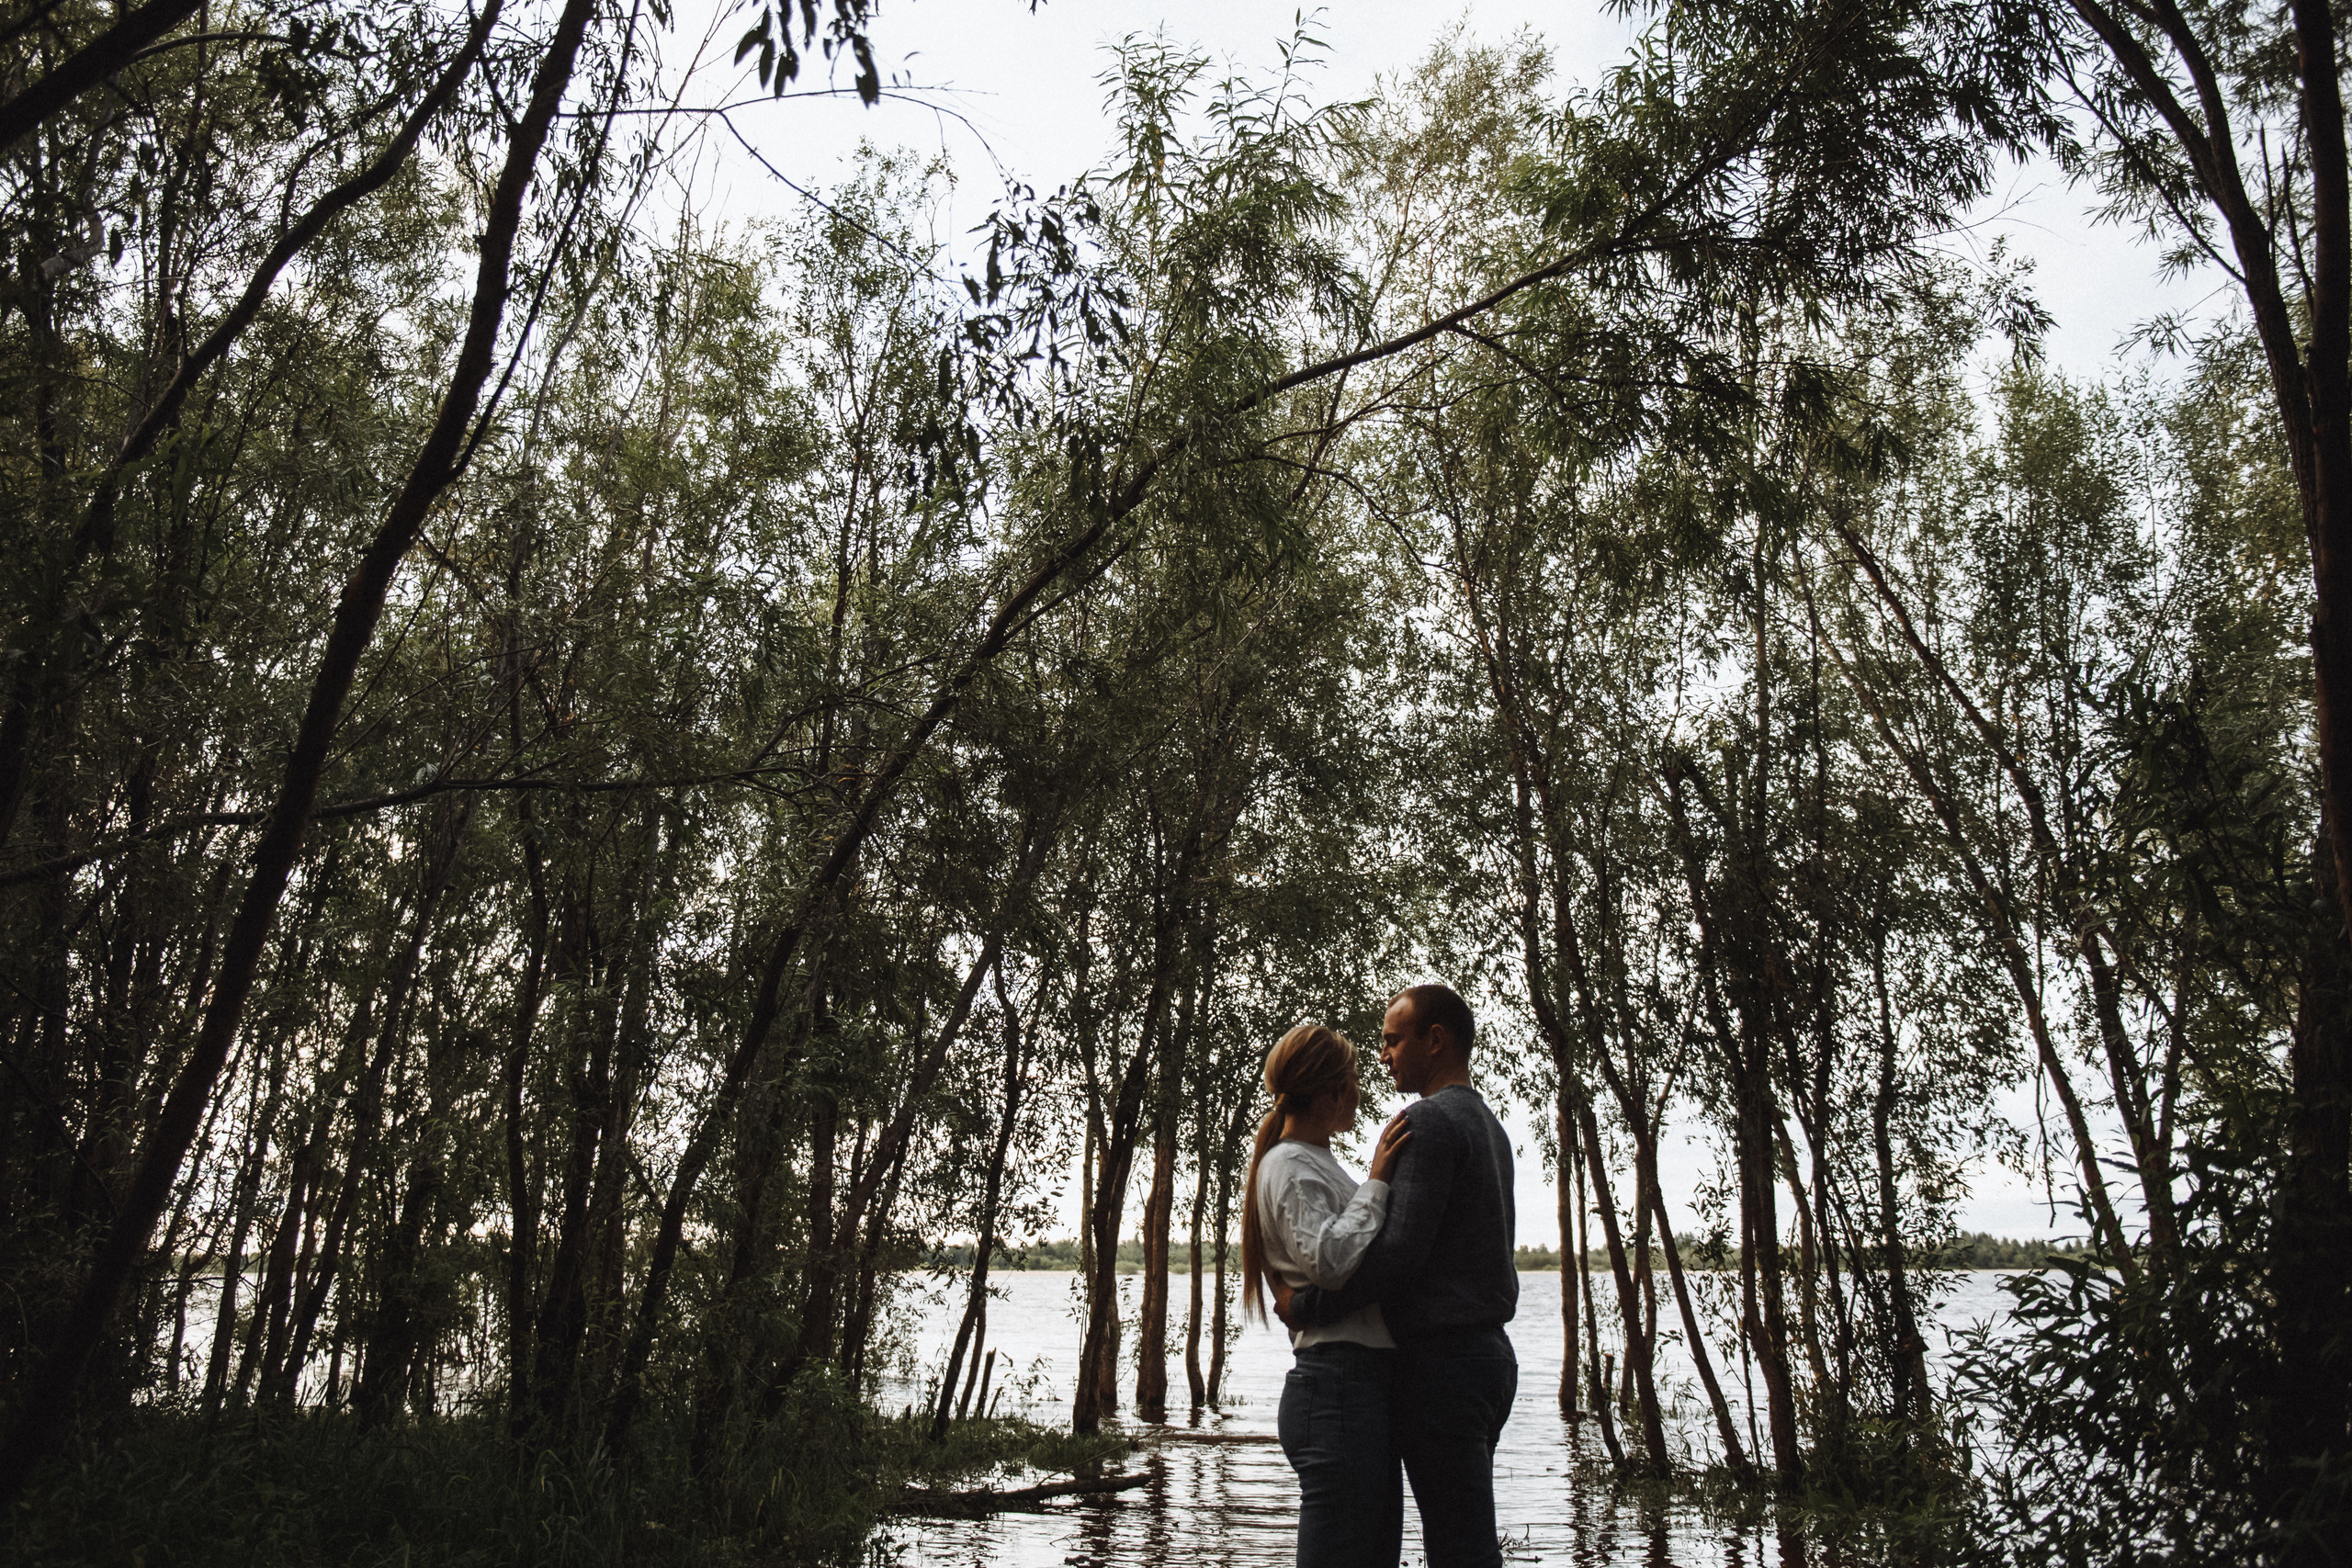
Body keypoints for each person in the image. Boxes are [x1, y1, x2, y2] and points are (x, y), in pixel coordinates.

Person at [1272, 984, 1517, 1568]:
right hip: (1490, 1360)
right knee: (1467, 1540)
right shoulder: (1491, 1126)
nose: (1384, 1055)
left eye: (1393, 1040)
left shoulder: (1426, 1123)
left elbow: (1397, 1258)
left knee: (1460, 1551)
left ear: (1435, 1041)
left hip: (1444, 1368)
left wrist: (1304, 1308)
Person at [1244, 1021, 1414, 1568]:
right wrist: (1378, 1180)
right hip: (1337, 1386)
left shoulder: (1310, 1159)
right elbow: (1331, 1262)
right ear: (1331, 1090)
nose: (1362, 1093)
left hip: (1354, 1386)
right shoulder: (1292, 1165)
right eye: (1354, 1080)